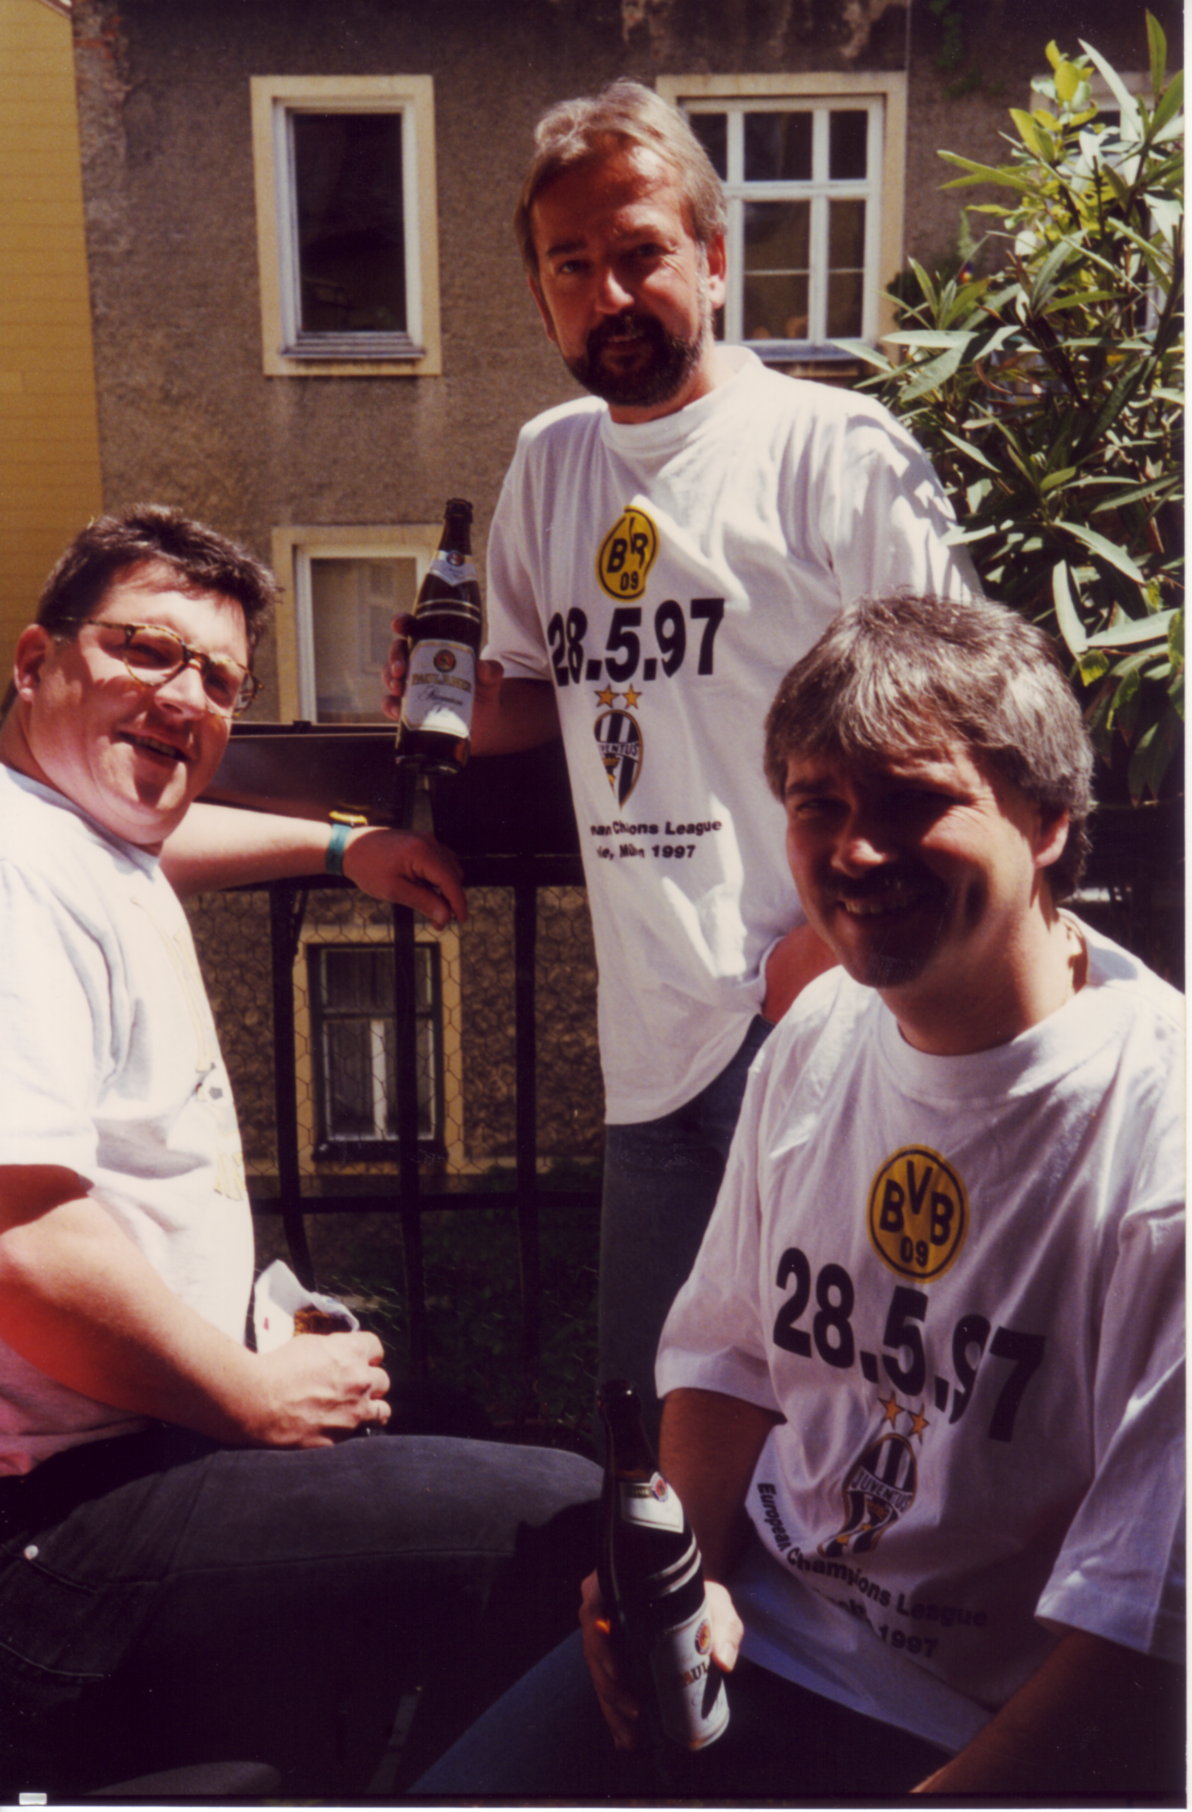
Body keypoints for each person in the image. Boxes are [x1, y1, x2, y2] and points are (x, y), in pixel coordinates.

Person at [412, 592, 1185, 1800]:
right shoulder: (825, 1025)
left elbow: (1145, 1604)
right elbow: (727, 1363)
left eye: (916, 800)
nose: (856, 851)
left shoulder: (1157, 1133)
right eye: (817, 805)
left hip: (987, 1725)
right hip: (758, 1632)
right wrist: (688, 1579)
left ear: (1046, 820)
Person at [385, 81, 978, 1431]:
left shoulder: (838, 452)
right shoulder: (549, 467)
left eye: (642, 251)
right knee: (655, 1447)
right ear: (541, 292)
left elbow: (965, 728)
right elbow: (550, 685)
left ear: (713, 259)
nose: (611, 292)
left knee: (860, 1431)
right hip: (654, 1056)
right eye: (573, 265)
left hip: (837, 1032)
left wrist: (820, 959)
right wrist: (468, 708)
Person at [0, 506, 600, 1799]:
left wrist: (345, 846)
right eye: (145, 651)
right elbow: (21, 1246)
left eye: (216, 680)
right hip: (64, 1529)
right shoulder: (13, 875)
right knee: (572, 1527)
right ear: (35, 658)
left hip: (131, 1449)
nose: (183, 697)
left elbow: (162, 839)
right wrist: (244, 1395)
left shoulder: (78, 834)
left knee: (440, 1420)